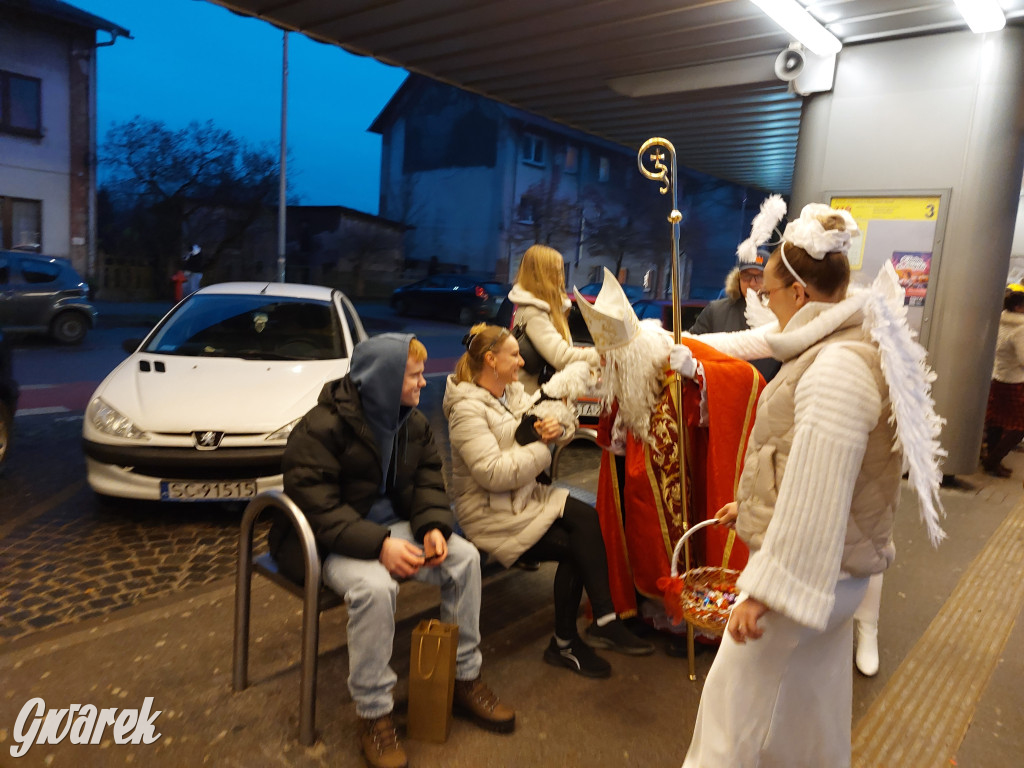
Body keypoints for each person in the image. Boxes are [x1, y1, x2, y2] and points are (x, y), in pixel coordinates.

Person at [678, 199, 945, 767]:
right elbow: (804, 466)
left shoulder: (836, 366)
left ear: (799, 294)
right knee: (805, 717)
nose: (764, 306)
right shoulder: (840, 342)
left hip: (804, 581)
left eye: (768, 293)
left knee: (733, 719)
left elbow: (818, 494)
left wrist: (765, 593)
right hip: (833, 574)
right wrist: (747, 508)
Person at [270, 333, 514, 768]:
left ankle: (463, 676)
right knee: (374, 588)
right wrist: (380, 545)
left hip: (389, 528)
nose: (424, 384)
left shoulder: (411, 422)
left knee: (463, 559)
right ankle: (373, 713)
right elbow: (317, 508)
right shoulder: (321, 427)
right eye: (415, 376)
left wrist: (435, 527)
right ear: (382, 380)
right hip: (329, 540)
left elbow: (427, 483)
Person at [442, 323, 655, 679]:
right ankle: (566, 643)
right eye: (514, 355)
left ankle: (604, 619)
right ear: (491, 361)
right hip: (491, 514)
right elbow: (494, 474)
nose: (521, 360)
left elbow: (556, 418)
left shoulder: (511, 392)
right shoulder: (466, 410)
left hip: (523, 499)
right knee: (577, 545)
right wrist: (543, 447)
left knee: (587, 519)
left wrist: (559, 429)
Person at [572, 269, 764, 650]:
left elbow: (746, 380)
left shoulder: (669, 351)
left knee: (684, 545)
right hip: (642, 479)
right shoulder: (626, 368)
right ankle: (647, 610)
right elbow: (620, 412)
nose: (614, 368)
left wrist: (699, 374)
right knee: (643, 538)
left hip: (688, 478)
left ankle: (688, 621)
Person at [506, 244, 599, 394]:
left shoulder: (548, 310)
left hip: (544, 396)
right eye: (556, 272)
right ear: (541, 274)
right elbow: (561, 357)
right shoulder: (533, 311)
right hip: (534, 400)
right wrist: (603, 355)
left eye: (561, 271)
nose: (561, 278)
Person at [689, 248, 781, 382]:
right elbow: (693, 348)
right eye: (746, 276)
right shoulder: (715, 311)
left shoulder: (782, 314)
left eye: (759, 276)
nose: (752, 283)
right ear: (738, 278)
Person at [982, 289, 1024, 477]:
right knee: (1019, 426)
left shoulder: (999, 322)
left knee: (996, 421)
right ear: (1018, 307)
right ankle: (993, 460)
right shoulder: (1021, 329)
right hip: (1014, 381)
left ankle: (992, 461)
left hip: (997, 377)